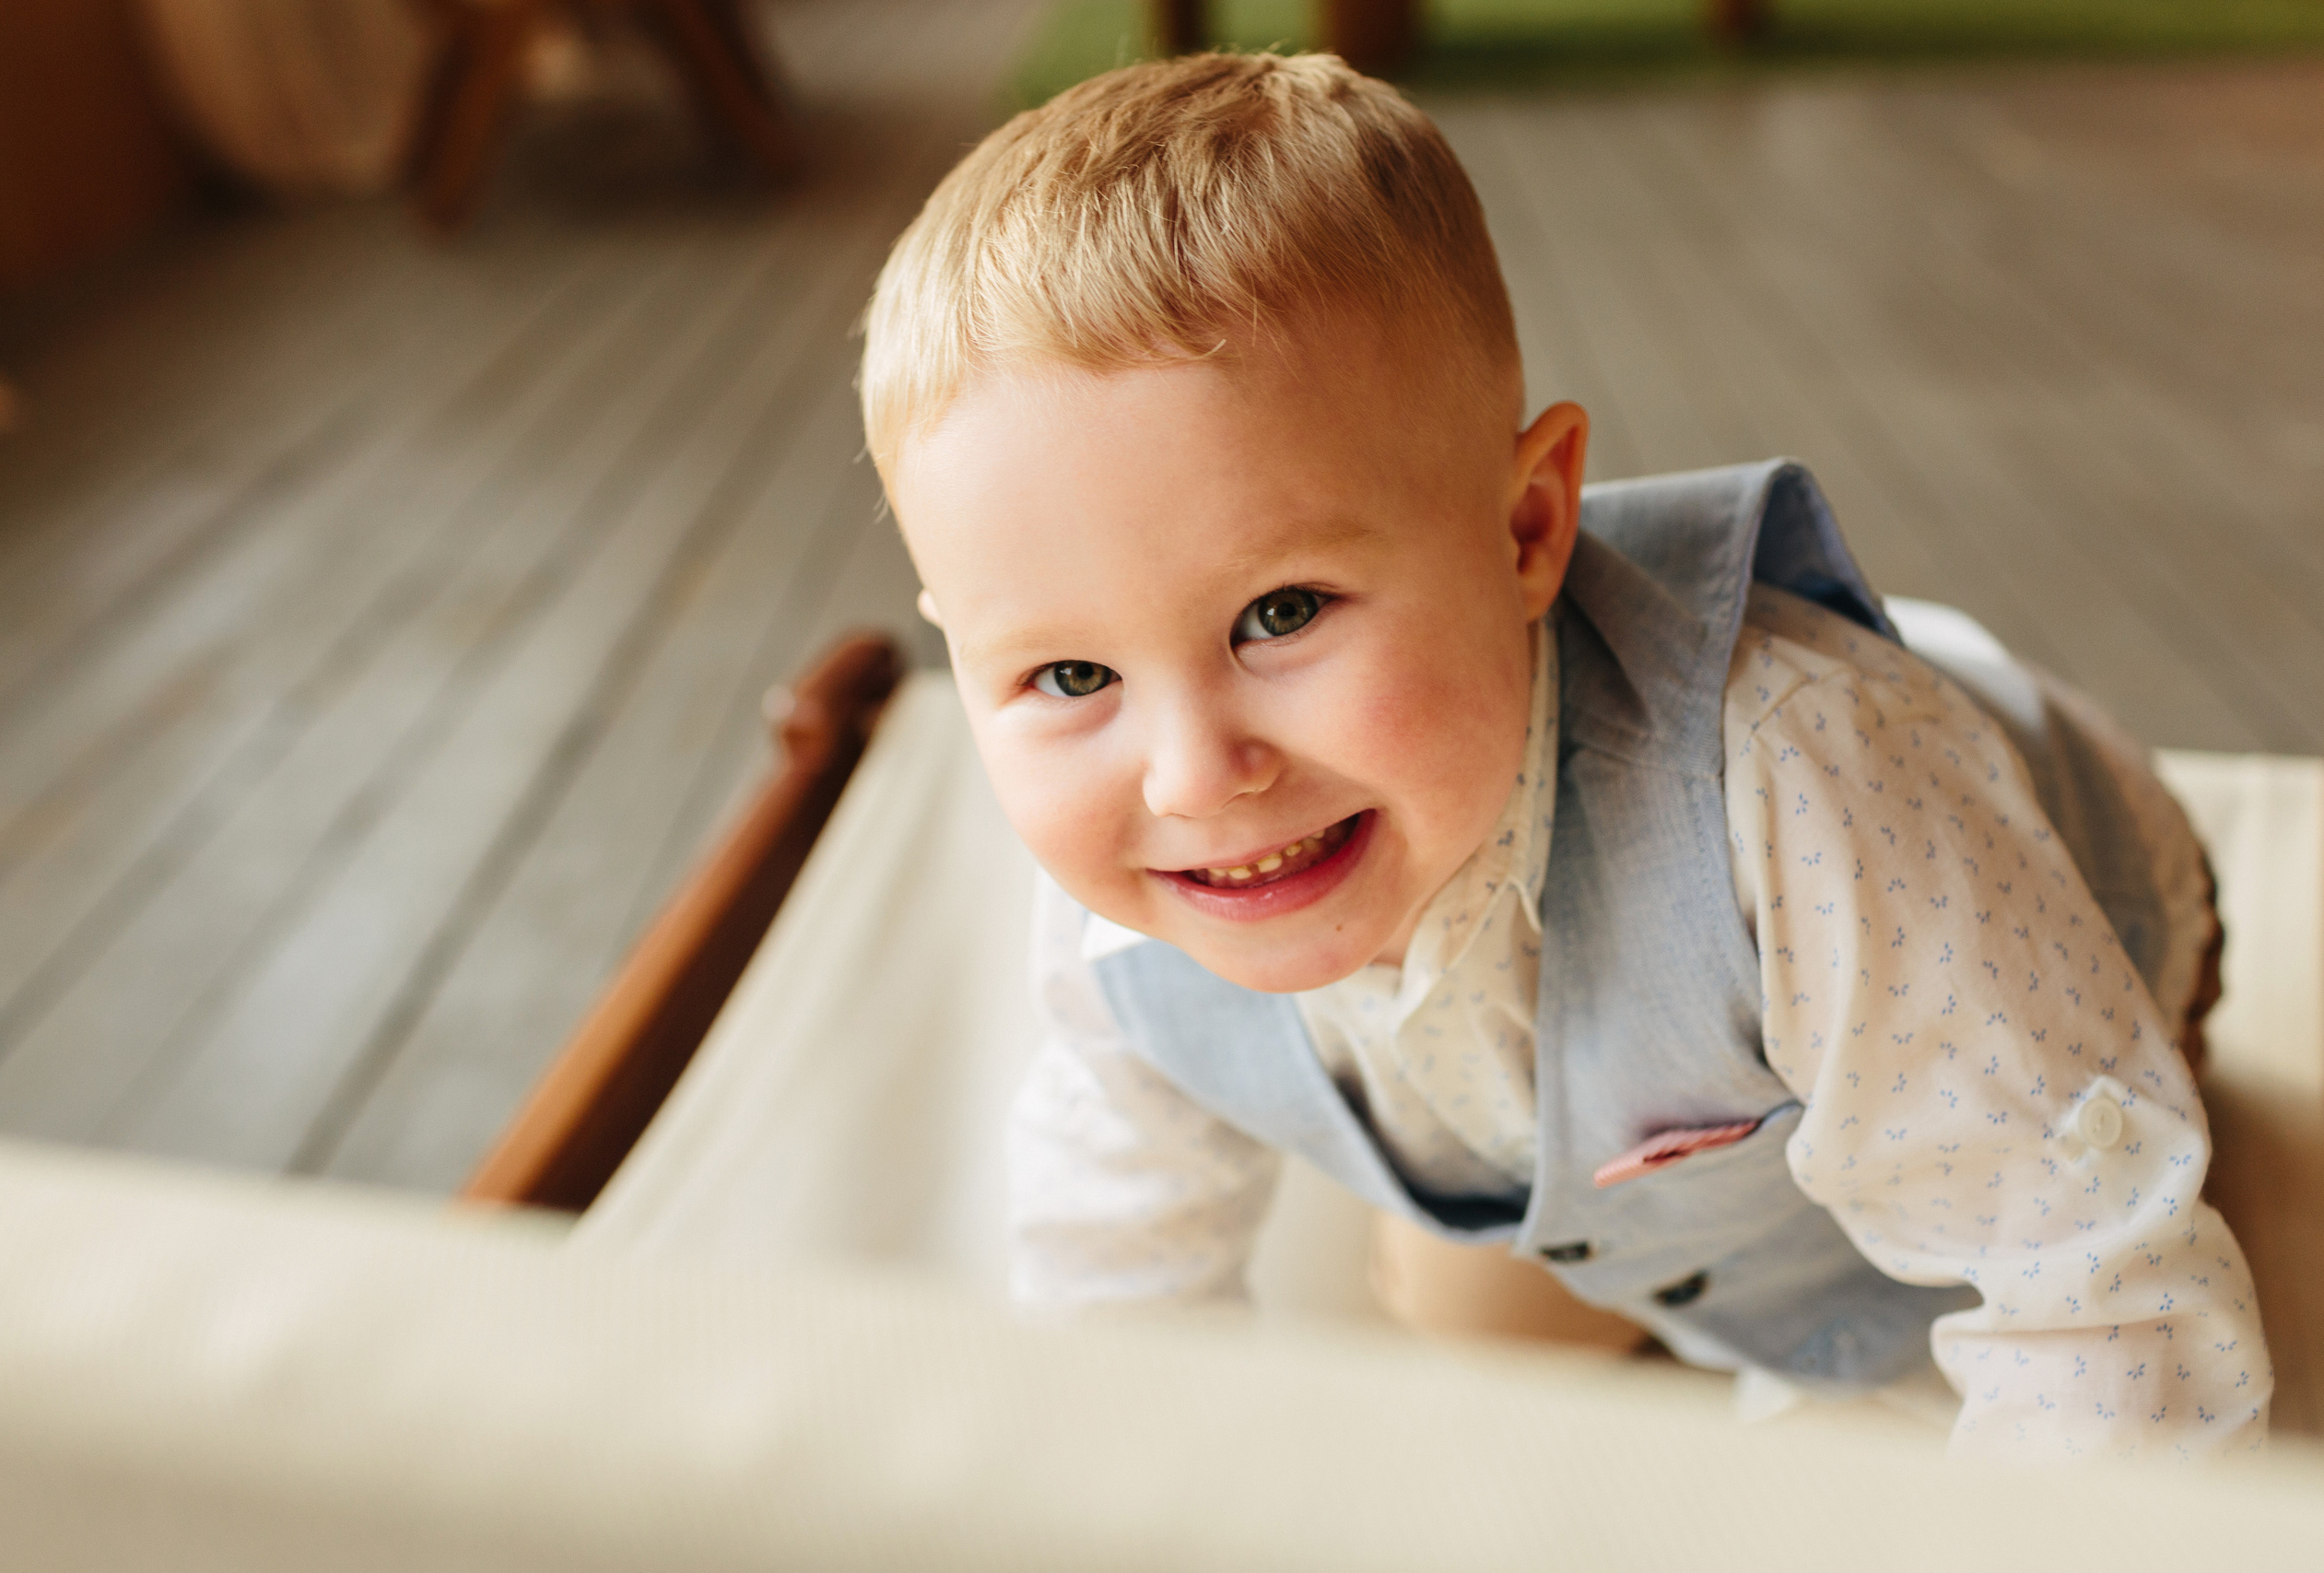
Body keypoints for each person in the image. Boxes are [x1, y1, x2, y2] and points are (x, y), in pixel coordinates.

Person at [857, 50, 2267, 1461]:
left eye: (1280, 614)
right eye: (1070, 674)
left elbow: (2108, 1313)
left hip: (2014, 933)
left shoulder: (1800, 784)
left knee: (1912, 1368)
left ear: (1527, 528)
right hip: (1615, 1131)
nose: (1191, 777)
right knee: (1474, 1333)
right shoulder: (1147, 874)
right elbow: (1109, 1266)